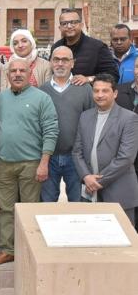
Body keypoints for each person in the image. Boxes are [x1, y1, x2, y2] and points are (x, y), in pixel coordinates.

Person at [0, 56, 58, 265]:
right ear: (8, 75)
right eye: (13, 71)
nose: (17, 74)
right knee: (6, 209)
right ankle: (8, 249)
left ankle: (29, 250)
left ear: (30, 74)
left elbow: (51, 130)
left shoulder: (42, 98)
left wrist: (44, 162)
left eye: (22, 71)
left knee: (30, 209)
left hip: (31, 164)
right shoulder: (0, 98)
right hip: (3, 163)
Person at [73, 74, 138, 225]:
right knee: (92, 239)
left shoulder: (129, 118)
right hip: (89, 192)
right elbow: (77, 151)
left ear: (115, 93)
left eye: (105, 91)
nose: (100, 95)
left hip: (118, 192)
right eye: (96, 91)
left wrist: (98, 182)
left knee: (123, 241)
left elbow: (126, 157)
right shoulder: (85, 116)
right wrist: (86, 177)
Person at [39, 46, 94, 202]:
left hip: (76, 157)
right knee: (47, 204)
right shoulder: (42, 91)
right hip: (49, 158)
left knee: (78, 203)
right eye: (56, 59)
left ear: (73, 63)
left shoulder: (85, 89)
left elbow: (92, 122)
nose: (60, 63)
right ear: (50, 62)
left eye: (65, 60)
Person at [51, 8, 119, 84]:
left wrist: (89, 79)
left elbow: (113, 75)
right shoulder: (56, 48)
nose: (69, 26)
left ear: (81, 25)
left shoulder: (97, 47)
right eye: (64, 23)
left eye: (73, 22)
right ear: (60, 28)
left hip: (89, 94)